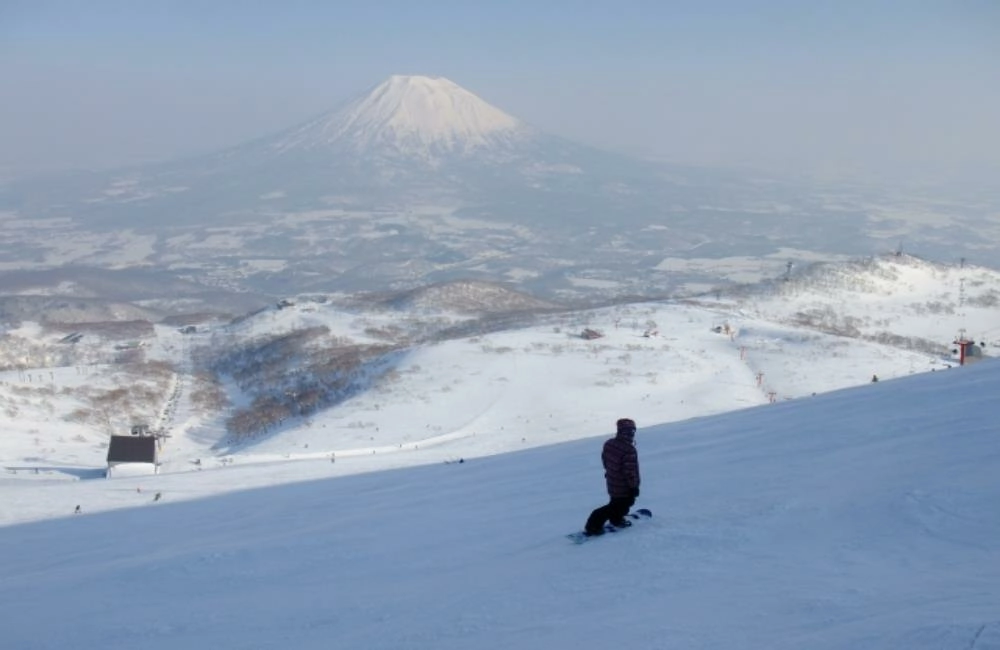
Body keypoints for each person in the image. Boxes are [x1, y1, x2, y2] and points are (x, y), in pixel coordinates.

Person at [584, 418, 641, 536]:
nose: (630, 434)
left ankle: (617, 519)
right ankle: (594, 525)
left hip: (612, 481)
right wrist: (633, 487)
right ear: (621, 431)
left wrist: (610, 473)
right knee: (621, 505)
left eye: (632, 431)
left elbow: (605, 460)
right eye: (628, 431)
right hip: (624, 485)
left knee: (616, 503)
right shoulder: (629, 450)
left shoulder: (610, 443)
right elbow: (630, 471)